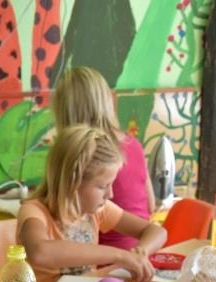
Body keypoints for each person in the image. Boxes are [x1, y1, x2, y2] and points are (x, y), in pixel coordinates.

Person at [18, 125, 167, 282]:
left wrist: (140, 252)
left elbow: (157, 232)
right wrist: (119, 255)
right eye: (103, 186)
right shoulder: (34, 211)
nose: (110, 194)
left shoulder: (100, 209)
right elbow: (39, 252)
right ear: (73, 182)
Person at [50, 66, 156, 251]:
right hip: (143, 250)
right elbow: (151, 205)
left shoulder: (85, 157)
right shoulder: (133, 145)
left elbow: (63, 218)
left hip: (102, 256)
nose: (109, 193)